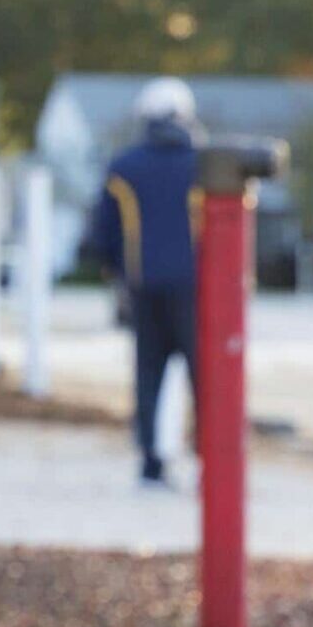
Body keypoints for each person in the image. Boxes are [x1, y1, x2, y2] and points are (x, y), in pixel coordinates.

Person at [88, 76, 203, 489]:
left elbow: (102, 231)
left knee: (148, 373)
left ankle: (151, 459)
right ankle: (209, 457)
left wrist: (115, 271)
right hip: (195, 289)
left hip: (143, 284)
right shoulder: (203, 164)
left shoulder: (124, 166)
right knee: (202, 376)